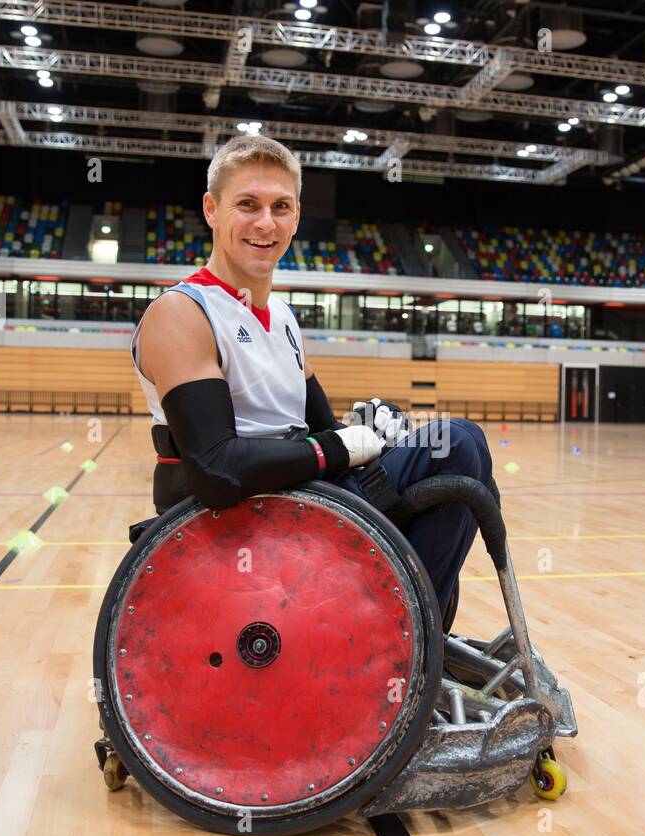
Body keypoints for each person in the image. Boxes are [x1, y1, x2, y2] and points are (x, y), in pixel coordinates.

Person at [130, 134, 492, 630]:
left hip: (300, 504)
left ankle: (409, 627)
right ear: (211, 210)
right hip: (236, 527)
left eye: (281, 207)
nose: (265, 222)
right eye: (247, 204)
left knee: (458, 439)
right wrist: (340, 447)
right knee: (456, 448)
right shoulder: (182, 313)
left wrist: (372, 428)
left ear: (296, 217)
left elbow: (326, 429)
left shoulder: (282, 316)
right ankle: (399, 635)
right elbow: (217, 472)